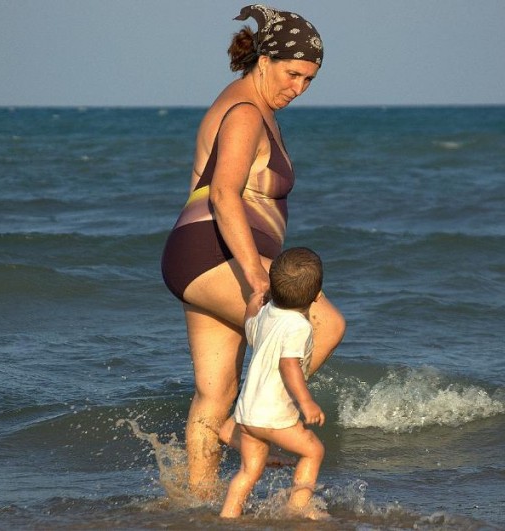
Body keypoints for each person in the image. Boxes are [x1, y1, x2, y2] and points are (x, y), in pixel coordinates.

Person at [160, 4, 345, 499]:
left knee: (213, 392)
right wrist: (256, 276)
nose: (299, 88)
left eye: (310, 79)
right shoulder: (245, 111)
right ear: (264, 60)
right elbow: (224, 194)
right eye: (293, 74)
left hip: (196, 255)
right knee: (325, 324)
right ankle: (249, 425)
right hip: (216, 252)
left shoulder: (253, 105)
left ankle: (194, 501)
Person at [220, 247, 327, 519]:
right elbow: (288, 364)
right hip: (272, 415)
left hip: (247, 414)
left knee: (248, 473)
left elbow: (251, 333)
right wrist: (307, 402)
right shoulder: (298, 327)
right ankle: (297, 510)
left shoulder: (266, 313)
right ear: (317, 296)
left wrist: (250, 307)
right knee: (313, 451)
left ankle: (228, 518)